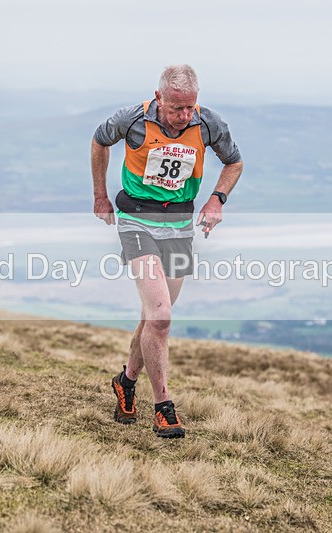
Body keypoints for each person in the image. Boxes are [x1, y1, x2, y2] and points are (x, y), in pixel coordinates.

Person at [91, 65, 243, 438]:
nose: (184, 116)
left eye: (190, 107)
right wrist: (100, 196)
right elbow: (99, 141)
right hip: (136, 219)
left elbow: (234, 162)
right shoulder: (132, 119)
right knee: (160, 316)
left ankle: (125, 382)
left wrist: (216, 200)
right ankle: (163, 406)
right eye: (177, 108)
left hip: (179, 224)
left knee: (154, 315)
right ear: (159, 98)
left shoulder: (208, 124)